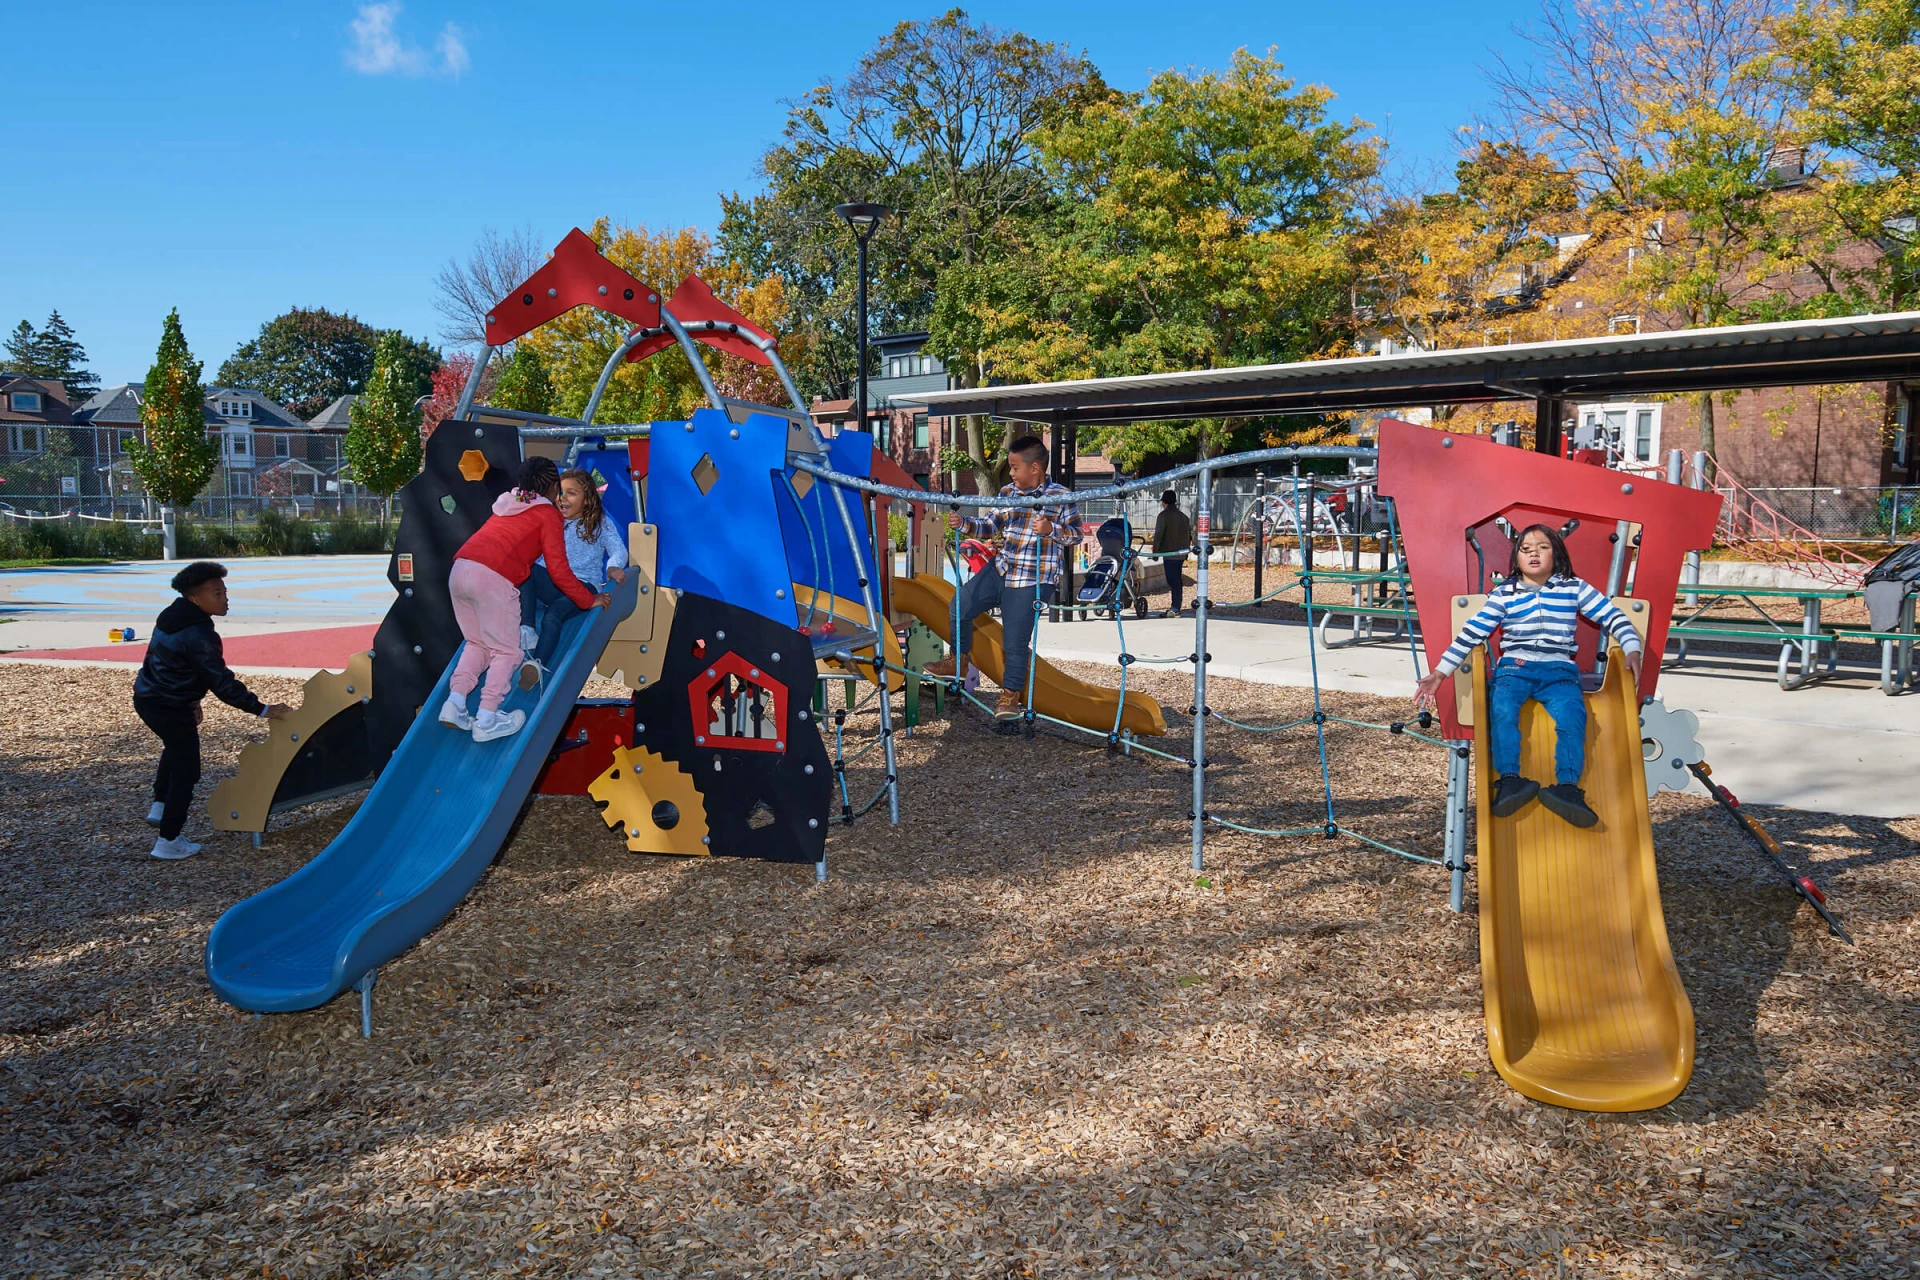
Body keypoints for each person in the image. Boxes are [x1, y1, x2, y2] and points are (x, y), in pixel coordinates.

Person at [1414, 524, 1643, 828]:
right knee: (1502, 710)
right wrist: (1440, 672)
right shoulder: (1504, 594)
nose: (1534, 552)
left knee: (1573, 718)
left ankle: (1568, 789)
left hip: (1559, 671)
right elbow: (1471, 632)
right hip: (1515, 668)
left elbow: (1613, 615)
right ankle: (1511, 781)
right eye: (1525, 548)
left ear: (1557, 553)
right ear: (1516, 558)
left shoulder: (1573, 587)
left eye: (1543, 546)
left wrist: (1632, 648)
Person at [440, 456, 610, 743]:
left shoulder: (508, 501)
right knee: (507, 651)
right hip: (492, 578)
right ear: (554, 486)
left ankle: (455, 703)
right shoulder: (548, 515)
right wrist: (585, 599)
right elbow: (557, 569)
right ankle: (487, 718)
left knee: (478, 643)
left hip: (461, 569)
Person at [132, 562, 290, 860]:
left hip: (149, 698)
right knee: (187, 769)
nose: (225, 598)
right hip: (169, 705)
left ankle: (160, 804)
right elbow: (222, 683)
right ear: (195, 599)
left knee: (176, 747)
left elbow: (171, 666)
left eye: (225, 592)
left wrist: (191, 702)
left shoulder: (171, 616)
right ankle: (169, 841)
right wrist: (262, 709)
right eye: (217, 593)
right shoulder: (200, 634)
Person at [924, 435, 1083, 719]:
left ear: (1035, 468)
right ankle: (959, 661)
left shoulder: (1061, 496)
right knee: (959, 604)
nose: (1010, 473)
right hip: (1002, 568)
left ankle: (1010, 696)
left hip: (1033, 578)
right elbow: (990, 525)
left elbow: (1076, 535)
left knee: (1014, 642)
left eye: (1014, 467)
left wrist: (1051, 530)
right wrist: (966, 523)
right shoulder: (1008, 492)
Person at [517, 467, 629, 689]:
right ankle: (527, 628)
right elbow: (519, 498)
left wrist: (613, 567)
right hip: (554, 581)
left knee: (552, 616)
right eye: (559, 492)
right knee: (524, 568)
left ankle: (537, 664)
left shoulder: (599, 523)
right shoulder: (551, 518)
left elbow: (618, 549)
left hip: (583, 586)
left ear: (587, 499)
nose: (562, 498)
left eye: (571, 493)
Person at [1151, 489, 1193, 616]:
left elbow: (1159, 535)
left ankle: (1175, 608)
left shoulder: (1163, 516)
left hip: (1170, 554)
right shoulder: (1184, 517)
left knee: (1173, 580)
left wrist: (1155, 553)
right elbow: (1189, 536)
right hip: (1181, 554)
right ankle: (1176, 606)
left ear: (1164, 502)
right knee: (1177, 580)